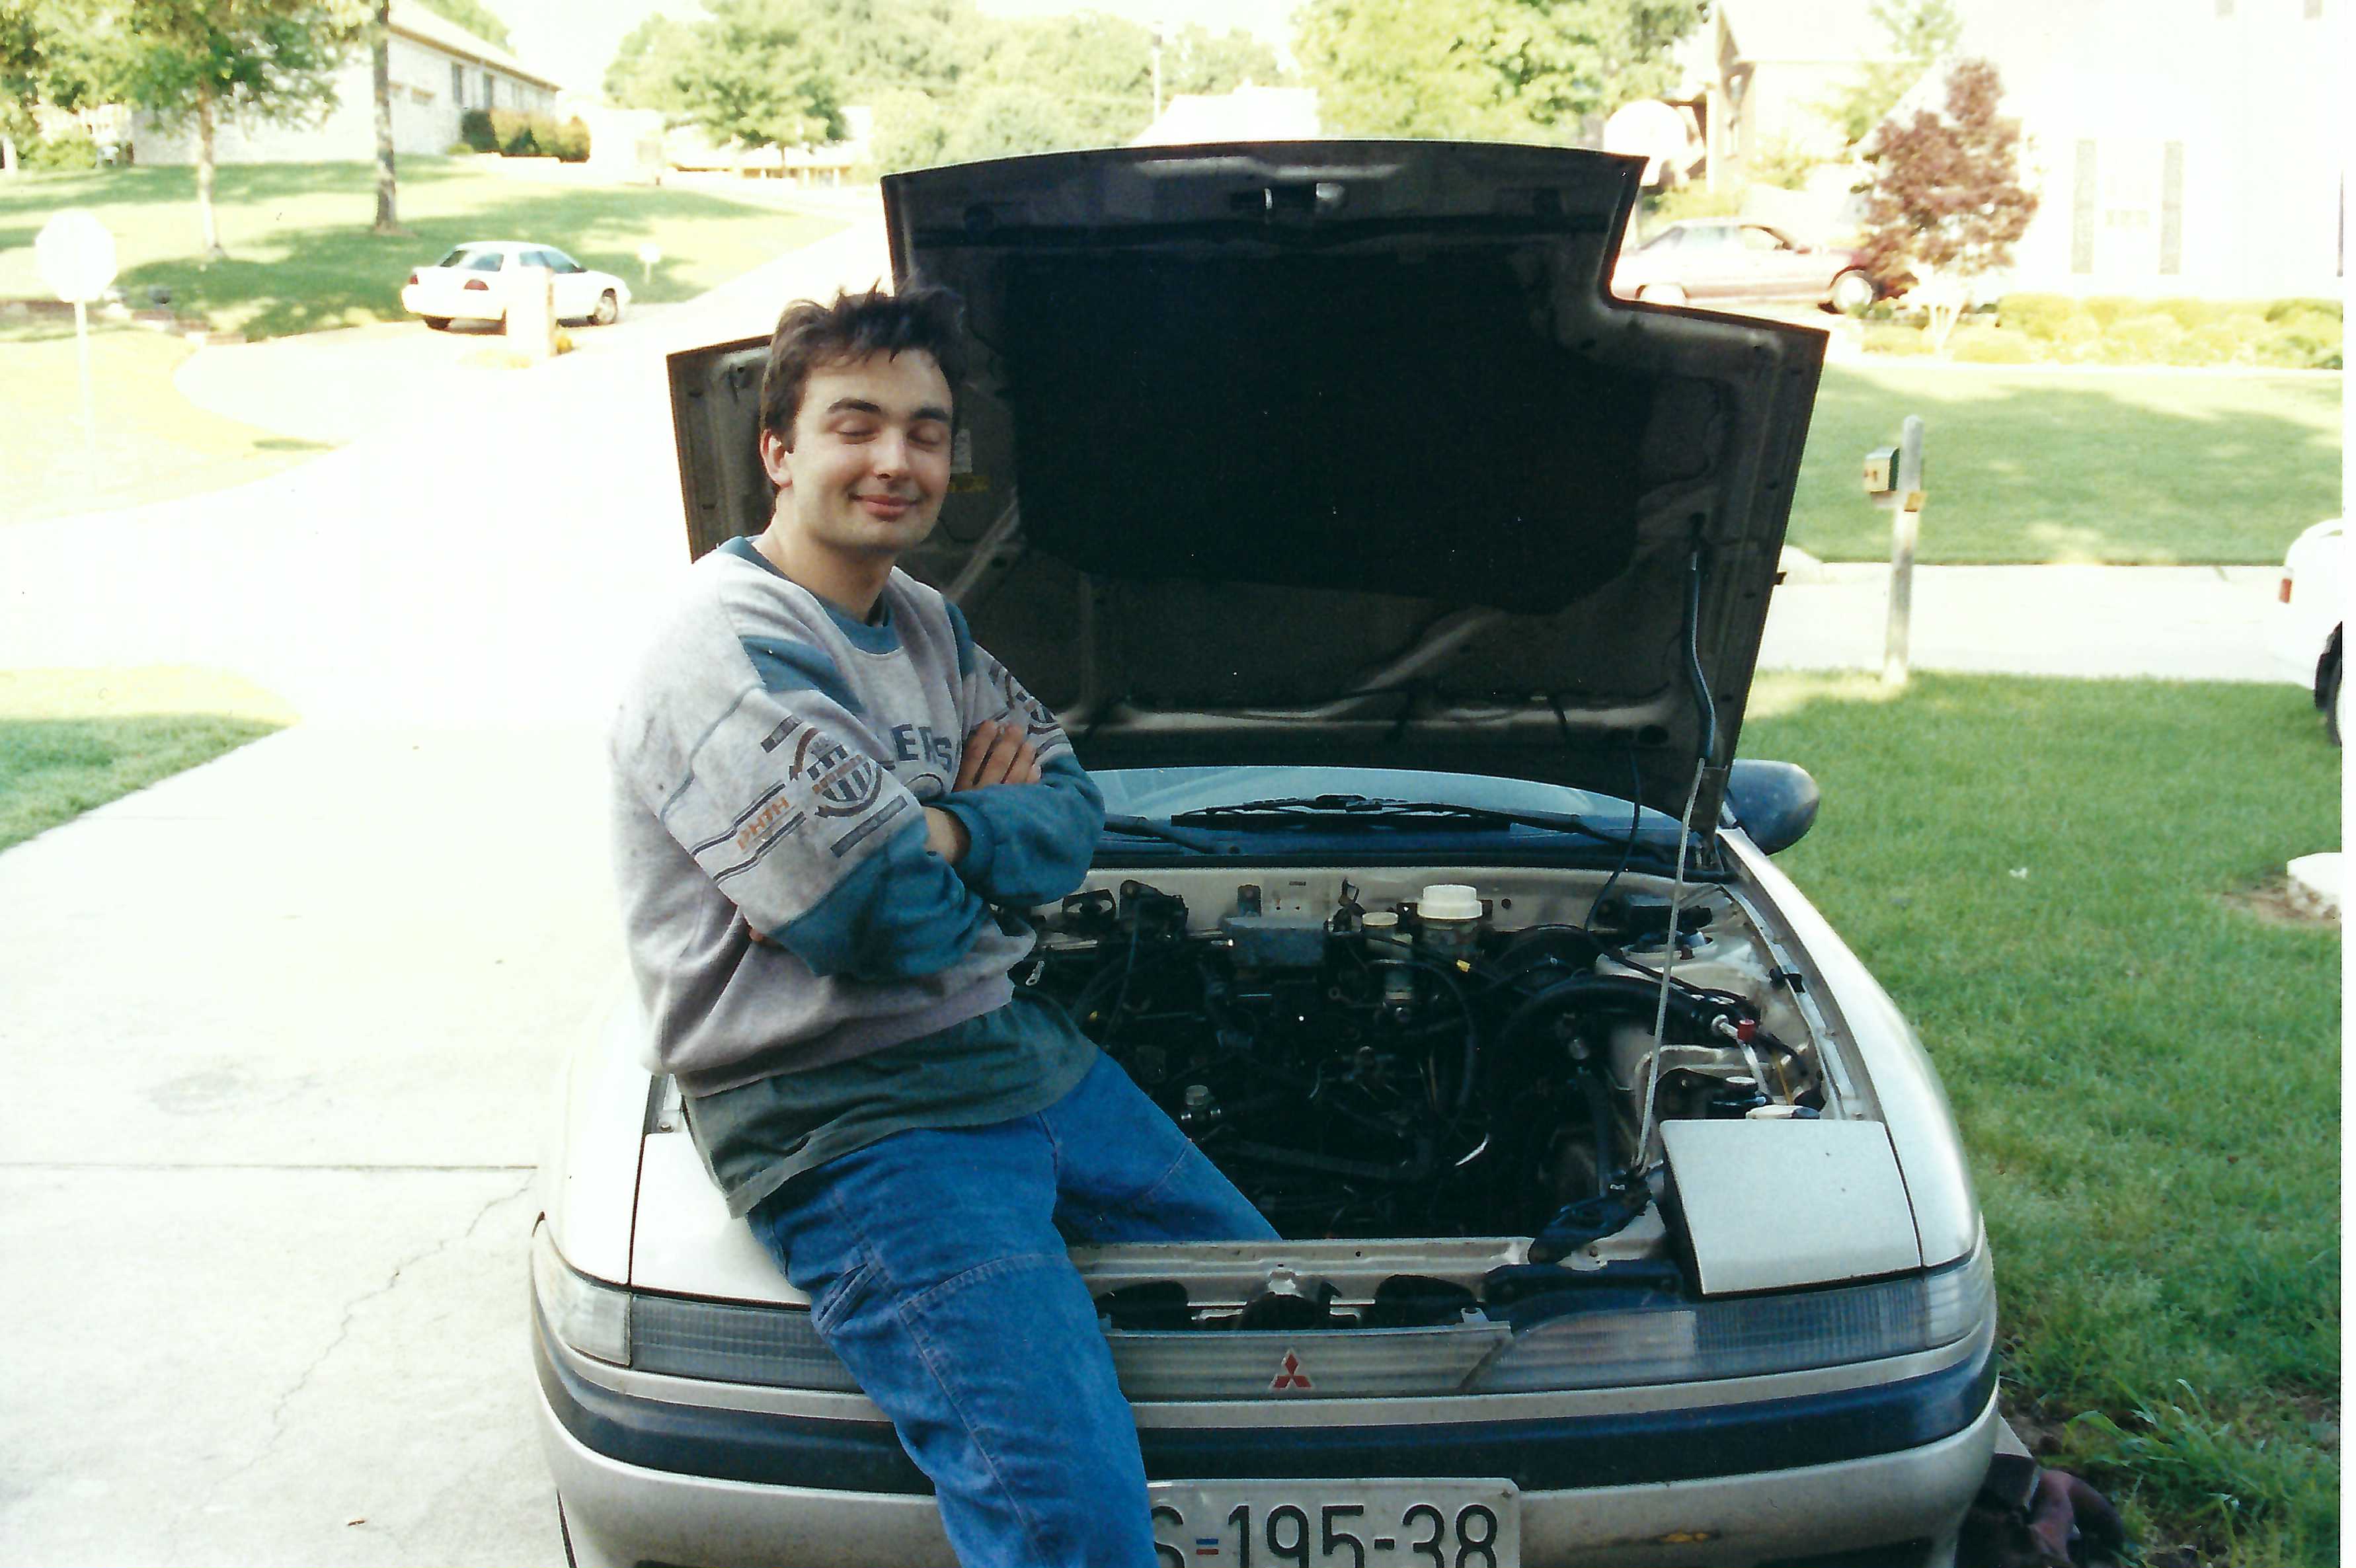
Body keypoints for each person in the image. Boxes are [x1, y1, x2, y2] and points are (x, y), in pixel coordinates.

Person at [607, 282, 1276, 1568]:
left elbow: (1071, 816)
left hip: (1012, 1054)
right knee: (1068, 1526)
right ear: (779, 450)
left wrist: (940, 829)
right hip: (851, 1114)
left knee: (1280, 1311)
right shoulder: (723, 648)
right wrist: (945, 842)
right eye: (855, 424)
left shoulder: (924, 619)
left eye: (924, 431)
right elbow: (880, 922)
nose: (896, 460)